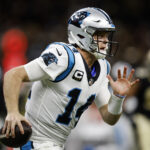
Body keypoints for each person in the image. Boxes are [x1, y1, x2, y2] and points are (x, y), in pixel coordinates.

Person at [2, 7, 139, 150]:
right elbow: (13, 75)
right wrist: (12, 113)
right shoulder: (63, 56)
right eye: (100, 35)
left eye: (107, 36)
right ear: (81, 34)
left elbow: (109, 118)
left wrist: (117, 97)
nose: (106, 41)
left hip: (57, 144)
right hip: (35, 142)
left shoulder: (103, 67)